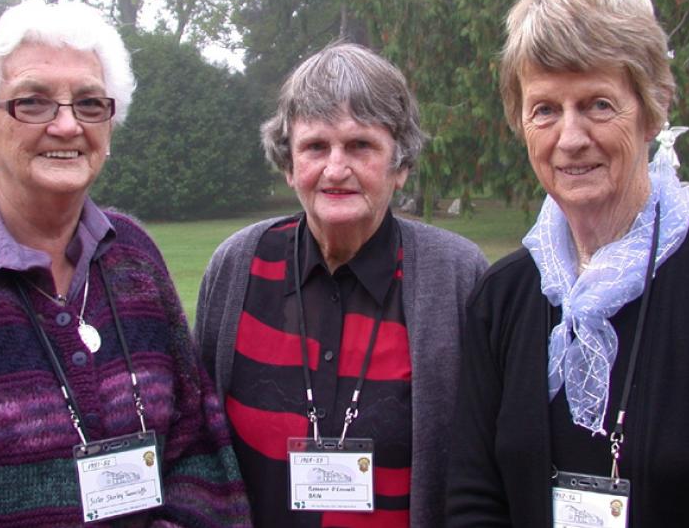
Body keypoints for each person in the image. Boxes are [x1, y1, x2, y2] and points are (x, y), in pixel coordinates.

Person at [0, 0, 250, 527]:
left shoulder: (135, 260)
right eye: (33, 103)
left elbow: (196, 445)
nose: (66, 125)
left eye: (88, 103)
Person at [445, 0, 689, 527]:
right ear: (521, 123)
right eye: (545, 110)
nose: (571, 137)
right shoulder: (502, 298)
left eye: (599, 104)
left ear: (653, 110)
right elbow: (472, 498)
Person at [195, 42, 489, 527]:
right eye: (315, 147)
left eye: (360, 145)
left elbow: (481, 464)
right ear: (289, 165)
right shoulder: (237, 267)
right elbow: (201, 440)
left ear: (401, 166)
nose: (335, 169)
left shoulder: (457, 275)